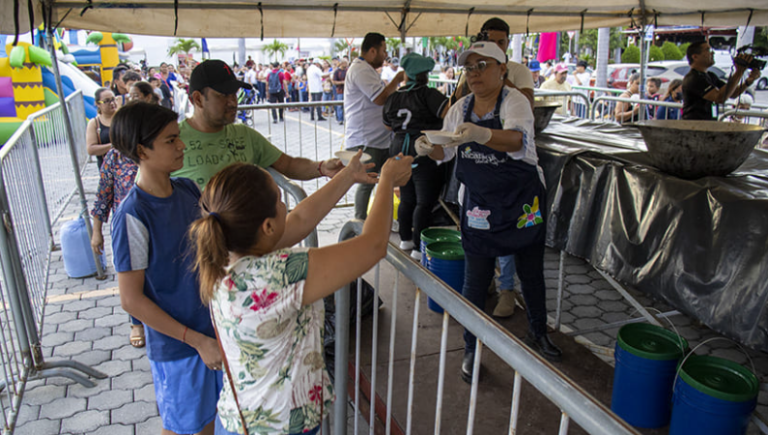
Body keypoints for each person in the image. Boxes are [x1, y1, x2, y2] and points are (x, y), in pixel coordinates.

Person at [191, 153, 411, 435]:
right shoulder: (278, 274)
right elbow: (372, 246)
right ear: (267, 227)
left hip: (244, 418)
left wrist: (349, 175)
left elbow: (302, 218)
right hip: (280, 425)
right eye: (281, 201)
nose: (287, 206)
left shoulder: (225, 253)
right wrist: (388, 180)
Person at [415, 41, 562, 383]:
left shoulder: (515, 101)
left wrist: (482, 134)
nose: (476, 73)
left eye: (483, 65)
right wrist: (428, 149)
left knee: (531, 273)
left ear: (502, 70)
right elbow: (445, 154)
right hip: (480, 203)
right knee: (476, 280)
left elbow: (516, 141)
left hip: (523, 201)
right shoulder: (459, 108)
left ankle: (538, 332)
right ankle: (471, 346)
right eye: (470, 67)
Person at [110, 102, 222, 435]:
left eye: (178, 138)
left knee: (216, 423)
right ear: (142, 150)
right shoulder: (133, 215)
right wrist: (197, 341)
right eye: (171, 140)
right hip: (179, 348)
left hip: (213, 332)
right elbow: (131, 300)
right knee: (186, 428)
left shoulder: (188, 190)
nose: (181, 145)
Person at [174, 59, 344, 191]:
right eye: (223, 95)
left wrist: (321, 167)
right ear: (197, 99)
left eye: (234, 94)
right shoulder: (172, 141)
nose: (233, 102)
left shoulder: (245, 135)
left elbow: (288, 165)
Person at [382, 53, 448, 261]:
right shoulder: (428, 94)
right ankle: (419, 248)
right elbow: (450, 112)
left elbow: (387, 124)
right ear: (425, 75)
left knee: (406, 195)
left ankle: (405, 239)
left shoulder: (393, 97)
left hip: (398, 146)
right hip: (422, 146)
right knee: (424, 200)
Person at [343, 32, 406, 220]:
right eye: (383, 51)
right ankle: (359, 224)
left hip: (378, 140)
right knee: (366, 182)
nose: (385, 55)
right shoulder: (360, 70)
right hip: (366, 140)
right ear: (372, 51)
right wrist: (397, 79)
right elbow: (380, 98)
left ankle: (380, 219)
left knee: (386, 181)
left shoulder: (367, 70)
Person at [450, 18, 535, 108]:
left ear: (508, 43)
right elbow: (454, 104)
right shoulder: (472, 69)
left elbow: (529, 104)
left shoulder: (520, 70)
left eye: (501, 42)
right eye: (492, 43)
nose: (496, 47)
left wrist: (498, 76)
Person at [682, 40, 761, 121]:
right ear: (695, 57)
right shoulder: (694, 78)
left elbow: (732, 93)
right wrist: (739, 72)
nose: (712, 53)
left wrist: (747, 82)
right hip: (695, 126)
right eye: (708, 50)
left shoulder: (710, 75)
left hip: (707, 124)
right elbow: (719, 97)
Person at [86, 88, 117, 169]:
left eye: (113, 99)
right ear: (98, 104)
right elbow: (91, 149)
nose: (112, 103)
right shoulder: (94, 123)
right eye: (107, 101)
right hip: (107, 169)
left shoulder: (124, 118)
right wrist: (113, 146)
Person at [332, 59, 348, 124]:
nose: (346, 65)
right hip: (339, 91)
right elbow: (334, 81)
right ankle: (340, 119)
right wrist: (342, 82)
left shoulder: (348, 71)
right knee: (339, 105)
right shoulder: (337, 71)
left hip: (347, 91)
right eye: (345, 63)